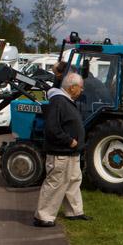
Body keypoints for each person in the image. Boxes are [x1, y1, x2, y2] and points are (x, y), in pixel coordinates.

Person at [34, 73, 92, 227]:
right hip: (61, 153)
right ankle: (43, 216)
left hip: (71, 153)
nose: (82, 90)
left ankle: (74, 212)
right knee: (55, 183)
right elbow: (52, 128)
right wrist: (70, 141)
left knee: (73, 181)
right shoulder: (58, 101)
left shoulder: (66, 101)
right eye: (80, 87)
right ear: (72, 88)